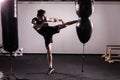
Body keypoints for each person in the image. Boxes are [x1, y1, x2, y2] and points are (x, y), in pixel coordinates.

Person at [31, 9, 79, 74]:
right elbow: (36, 28)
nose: (44, 17)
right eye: (42, 16)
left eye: (44, 16)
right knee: (49, 51)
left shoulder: (45, 18)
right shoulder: (34, 20)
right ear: (38, 16)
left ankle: (77, 20)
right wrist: (42, 23)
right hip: (46, 36)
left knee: (64, 25)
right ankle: (51, 68)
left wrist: (60, 20)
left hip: (50, 30)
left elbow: (53, 20)